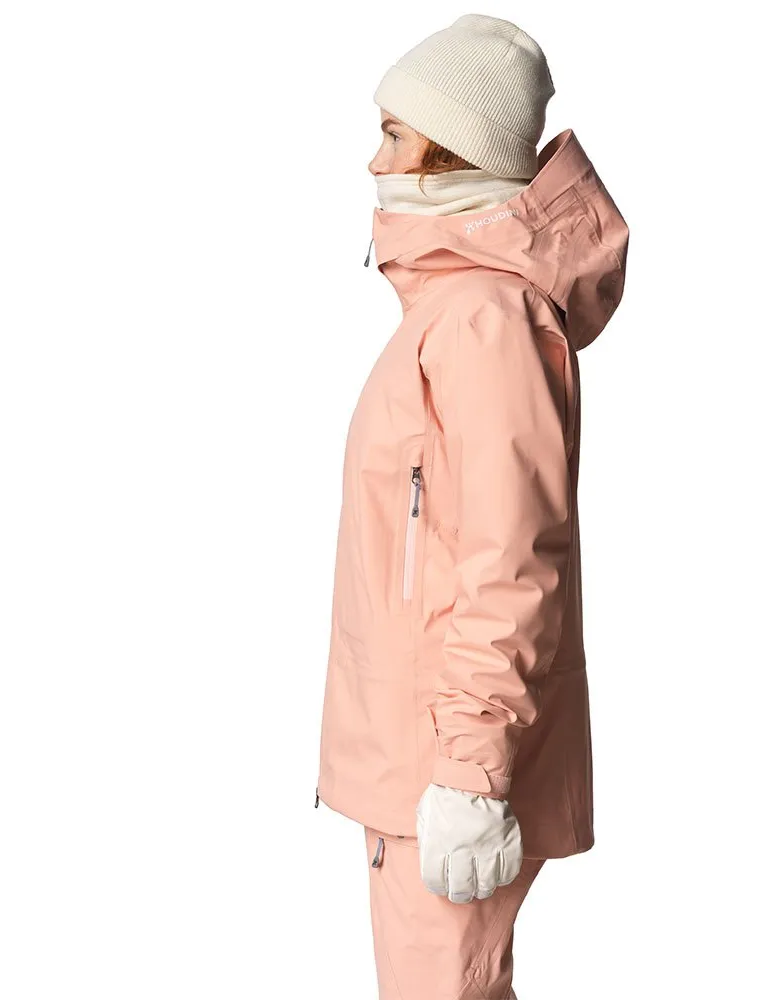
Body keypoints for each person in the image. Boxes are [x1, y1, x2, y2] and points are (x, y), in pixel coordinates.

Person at [316, 13, 629, 998]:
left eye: (394, 135)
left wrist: (468, 773)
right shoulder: (455, 311)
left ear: (456, 153)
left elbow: (512, 561)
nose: (374, 162)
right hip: (417, 755)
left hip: (442, 766)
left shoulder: (485, 319)